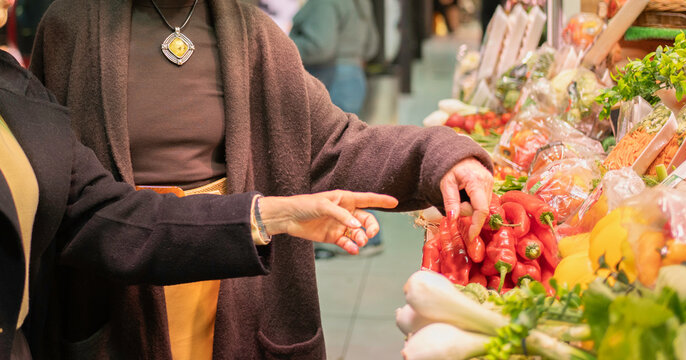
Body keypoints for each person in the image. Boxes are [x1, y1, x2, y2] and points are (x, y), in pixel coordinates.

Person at [30, 0, 495, 358]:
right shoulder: (67, 27)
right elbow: (50, 179)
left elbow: (335, 143)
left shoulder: (257, 37)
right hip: (115, 287)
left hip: (235, 281)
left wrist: (443, 155)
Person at [289, 0, 383, 258]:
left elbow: (321, 46)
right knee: (350, 154)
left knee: (328, 157)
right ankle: (369, 233)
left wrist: (280, 43)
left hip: (332, 79)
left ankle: (330, 239)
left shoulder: (326, 2)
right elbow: (373, 44)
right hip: (354, 76)